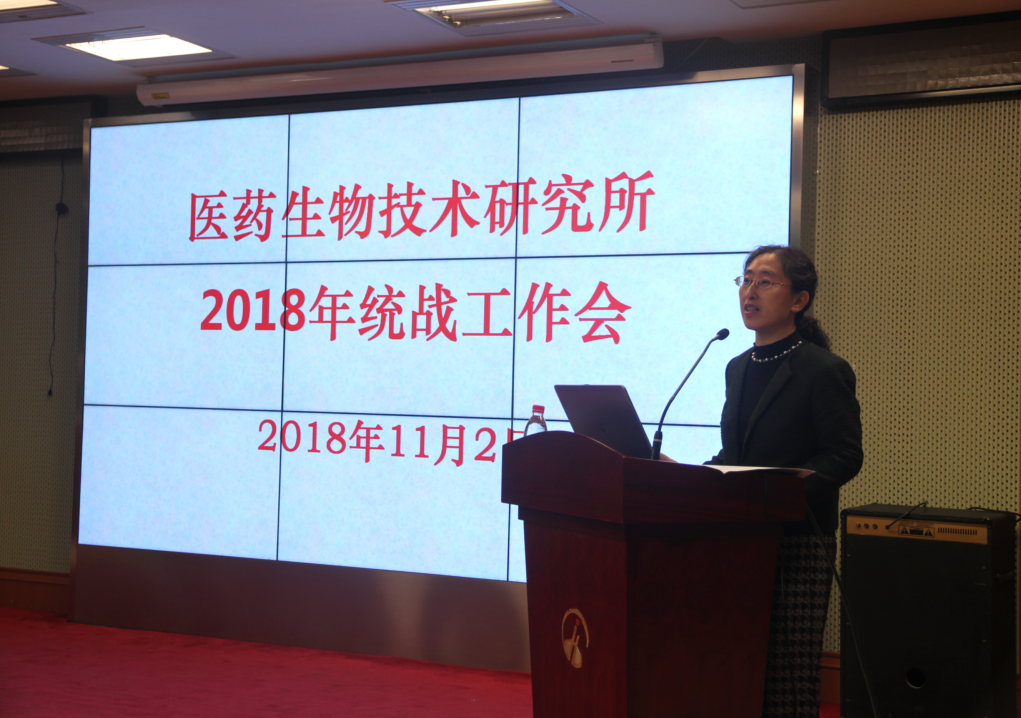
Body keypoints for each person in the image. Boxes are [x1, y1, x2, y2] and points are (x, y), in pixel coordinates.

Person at [707, 244, 863, 718]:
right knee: (738, 663)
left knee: (784, 677)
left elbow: (844, 455)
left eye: (765, 281)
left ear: (799, 300)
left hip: (798, 541)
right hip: (741, 538)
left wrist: (783, 492)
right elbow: (737, 455)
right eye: (746, 279)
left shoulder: (823, 369)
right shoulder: (737, 367)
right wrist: (696, 475)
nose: (750, 291)